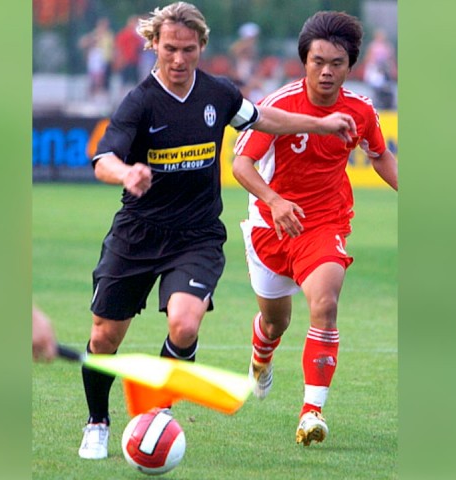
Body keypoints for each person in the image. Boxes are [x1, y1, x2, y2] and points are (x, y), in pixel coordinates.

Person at [77, 2, 358, 461]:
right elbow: (103, 158)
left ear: (202, 47)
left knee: (185, 323)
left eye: (189, 49)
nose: (179, 59)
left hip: (197, 235)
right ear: (154, 45)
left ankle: (159, 414)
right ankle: (97, 422)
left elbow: (264, 118)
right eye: (170, 48)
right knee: (106, 337)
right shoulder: (139, 101)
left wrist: (320, 123)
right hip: (138, 233)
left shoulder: (219, 94)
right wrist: (125, 174)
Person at [232, 11, 398, 447]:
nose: (326, 71)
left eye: (337, 63)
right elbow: (241, 164)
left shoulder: (360, 110)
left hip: (324, 223)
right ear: (304, 60)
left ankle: (311, 413)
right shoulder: (279, 106)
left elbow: (379, 155)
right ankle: (261, 353)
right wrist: (274, 200)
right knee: (275, 322)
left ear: (351, 65)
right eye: (317, 61)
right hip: (271, 226)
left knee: (324, 303)